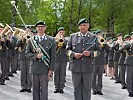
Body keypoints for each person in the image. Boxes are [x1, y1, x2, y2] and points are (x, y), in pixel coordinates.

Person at [66, 18, 101, 100]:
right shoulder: (72, 36)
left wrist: (90, 54)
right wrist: (73, 54)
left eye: (84, 25)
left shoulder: (94, 37)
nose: (82, 27)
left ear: (88, 26)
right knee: (76, 89)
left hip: (88, 67)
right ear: (78, 27)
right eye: (81, 25)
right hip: (76, 67)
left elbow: (99, 51)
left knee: (87, 89)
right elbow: (67, 50)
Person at [25, 21, 56, 100]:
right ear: (36, 28)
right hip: (34, 68)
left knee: (44, 90)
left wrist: (51, 70)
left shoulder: (51, 40)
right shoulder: (31, 40)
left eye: (42, 26)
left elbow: (53, 57)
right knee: (35, 90)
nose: (40, 28)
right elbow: (27, 53)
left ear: (45, 28)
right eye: (38, 27)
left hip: (45, 68)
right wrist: (36, 56)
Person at [16, 26, 32, 93]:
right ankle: (23, 86)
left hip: (29, 58)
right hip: (22, 57)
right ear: (24, 31)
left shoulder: (32, 38)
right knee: (23, 73)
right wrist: (21, 38)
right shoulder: (22, 37)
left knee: (29, 73)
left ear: (30, 31)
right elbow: (17, 45)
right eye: (26, 30)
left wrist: (30, 38)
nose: (27, 31)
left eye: (29, 30)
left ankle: (28, 87)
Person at [92, 30, 109, 95]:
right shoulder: (93, 42)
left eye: (100, 34)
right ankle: (94, 89)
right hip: (94, 61)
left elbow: (108, 49)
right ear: (96, 35)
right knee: (93, 76)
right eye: (98, 34)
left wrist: (104, 42)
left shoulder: (103, 42)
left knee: (100, 77)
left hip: (101, 61)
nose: (99, 35)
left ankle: (99, 89)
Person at [54, 27, 68, 93]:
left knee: (63, 73)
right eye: (60, 32)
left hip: (63, 59)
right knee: (56, 73)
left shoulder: (66, 40)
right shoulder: (54, 39)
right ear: (58, 33)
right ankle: (56, 87)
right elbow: (53, 48)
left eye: (62, 32)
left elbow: (67, 47)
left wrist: (63, 40)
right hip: (56, 59)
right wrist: (57, 42)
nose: (61, 33)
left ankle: (61, 87)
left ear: (64, 33)